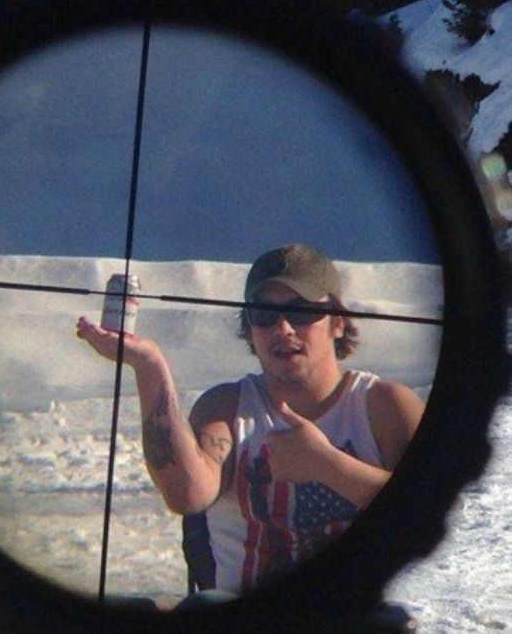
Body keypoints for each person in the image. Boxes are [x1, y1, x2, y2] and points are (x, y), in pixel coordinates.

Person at [76, 243, 424, 596]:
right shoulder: (227, 407)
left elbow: (427, 514)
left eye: (301, 312)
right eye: (264, 314)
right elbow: (187, 495)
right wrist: (149, 366)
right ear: (250, 329)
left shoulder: (385, 406)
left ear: (337, 321)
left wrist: (327, 465)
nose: (283, 328)